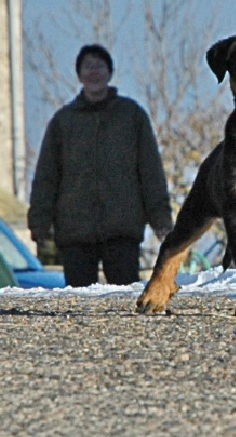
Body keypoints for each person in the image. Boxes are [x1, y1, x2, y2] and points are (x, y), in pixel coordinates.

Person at [28, 44, 173, 286]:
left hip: (122, 229)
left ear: (109, 72)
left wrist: (161, 219)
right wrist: (39, 223)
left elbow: (150, 171)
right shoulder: (63, 121)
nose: (94, 72)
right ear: (79, 74)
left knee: (125, 298)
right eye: (88, 66)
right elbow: (46, 176)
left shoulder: (131, 116)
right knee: (79, 303)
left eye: (99, 66)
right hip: (75, 231)